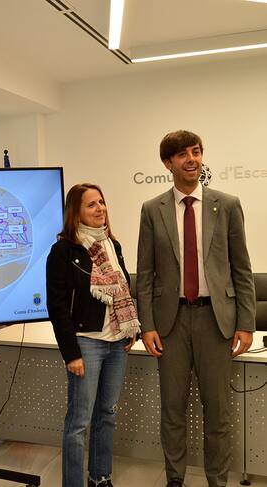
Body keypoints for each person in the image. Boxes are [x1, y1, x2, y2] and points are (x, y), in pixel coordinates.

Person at [136, 130, 256, 487]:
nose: (192, 159)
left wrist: (246, 323)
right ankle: (175, 478)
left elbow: (242, 269)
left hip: (215, 321)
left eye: (196, 151)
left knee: (217, 411)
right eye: (183, 154)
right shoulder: (152, 210)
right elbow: (145, 274)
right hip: (170, 322)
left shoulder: (227, 205)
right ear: (168, 163)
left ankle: (217, 480)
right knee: (172, 410)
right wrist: (147, 325)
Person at [46, 183, 140, 487]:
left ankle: (100, 478)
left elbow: (124, 289)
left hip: (117, 343)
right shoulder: (63, 250)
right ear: (76, 212)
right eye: (91, 204)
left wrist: (130, 326)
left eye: (102, 202)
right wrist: (71, 353)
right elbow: (57, 306)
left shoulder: (113, 244)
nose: (100, 208)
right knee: (79, 422)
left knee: (107, 414)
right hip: (86, 343)